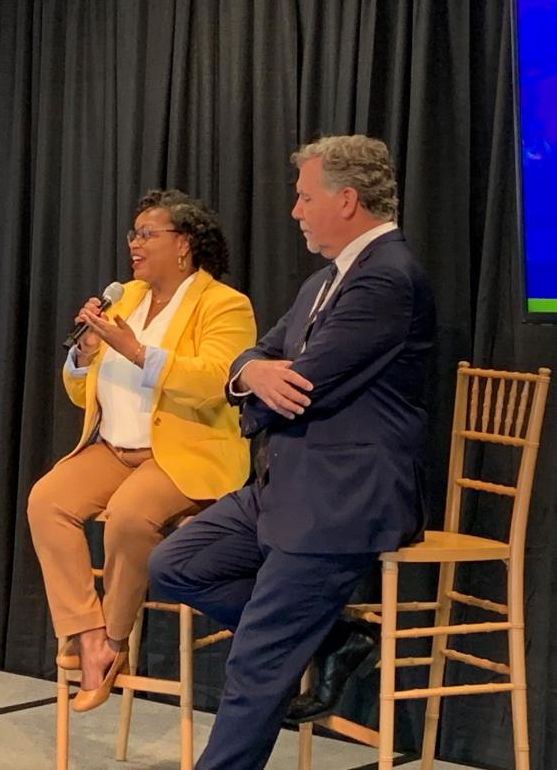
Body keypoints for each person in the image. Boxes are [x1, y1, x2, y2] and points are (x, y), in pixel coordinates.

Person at [148, 136, 436, 769]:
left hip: (342, 497)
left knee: (259, 652)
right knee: (175, 564)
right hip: (284, 486)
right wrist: (253, 375)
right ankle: (335, 636)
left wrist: (258, 381)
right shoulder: (322, 282)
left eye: (306, 197)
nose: (295, 211)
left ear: (347, 199)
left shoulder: (389, 277)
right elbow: (253, 357)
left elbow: (305, 384)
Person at [28, 189, 256, 713]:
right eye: (133, 234)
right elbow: (84, 391)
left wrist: (134, 349)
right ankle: (87, 634)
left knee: (129, 516)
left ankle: (114, 641)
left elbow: (216, 382)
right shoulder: (125, 296)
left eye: (147, 233)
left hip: (181, 453)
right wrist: (85, 352)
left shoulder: (224, 304)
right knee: (47, 501)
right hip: (112, 448)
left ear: (184, 245)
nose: (134, 243)